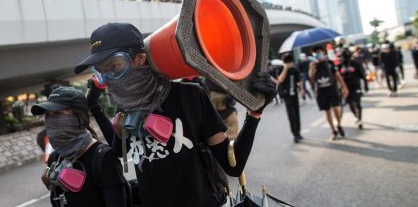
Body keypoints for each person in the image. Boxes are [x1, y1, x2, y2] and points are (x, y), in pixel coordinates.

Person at [74, 22, 276, 207]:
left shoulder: (189, 97)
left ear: (140, 59)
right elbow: (120, 153)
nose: (109, 77)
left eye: (115, 66)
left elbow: (233, 165)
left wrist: (254, 113)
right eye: (101, 71)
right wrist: (95, 108)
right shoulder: (125, 111)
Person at [31, 87, 128, 207]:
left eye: (57, 113)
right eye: (47, 115)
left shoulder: (104, 157)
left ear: (80, 117)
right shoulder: (55, 158)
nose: (51, 120)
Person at [309, 46, 349, 140]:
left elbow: (337, 75)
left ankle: (339, 124)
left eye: (319, 52)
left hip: (332, 89)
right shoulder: (313, 64)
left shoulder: (330, 63)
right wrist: (312, 69)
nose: (318, 54)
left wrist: (344, 87)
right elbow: (311, 78)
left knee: (337, 109)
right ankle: (333, 130)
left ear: (323, 52)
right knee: (327, 112)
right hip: (321, 91)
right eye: (316, 53)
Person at [339, 49, 368, 129]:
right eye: (344, 56)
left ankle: (359, 119)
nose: (346, 57)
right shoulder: (340, 65)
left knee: (357, 103)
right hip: (346, 88)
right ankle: (356, 116)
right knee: (350, 104)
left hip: (356, 86)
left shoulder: (355, 63)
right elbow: (337, 78)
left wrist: (366, 86)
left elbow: (362, 74)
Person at [278, 53, 303, 143]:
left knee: (297, 114)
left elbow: (298, 81)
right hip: (287, 96)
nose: (290, 64)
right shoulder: (281, 69)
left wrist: (302, 90)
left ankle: (299, 132)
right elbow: (280, 80)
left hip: (294, 95)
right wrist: (285, 68)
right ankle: (295, 134)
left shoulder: (295, 69)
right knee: (291, 116)